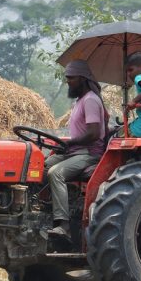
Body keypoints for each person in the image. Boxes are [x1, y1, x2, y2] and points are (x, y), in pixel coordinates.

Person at [46, 60, 108, 240]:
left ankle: (62, 224)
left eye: (71, 78)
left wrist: (71, 143)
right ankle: (42, 211)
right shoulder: (81, 101)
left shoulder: (90, 100)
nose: (68, 82)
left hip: (89, 154)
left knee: (55, 173)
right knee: (40, 166)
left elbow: (94, 133)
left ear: (82, 79)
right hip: (76, 152)